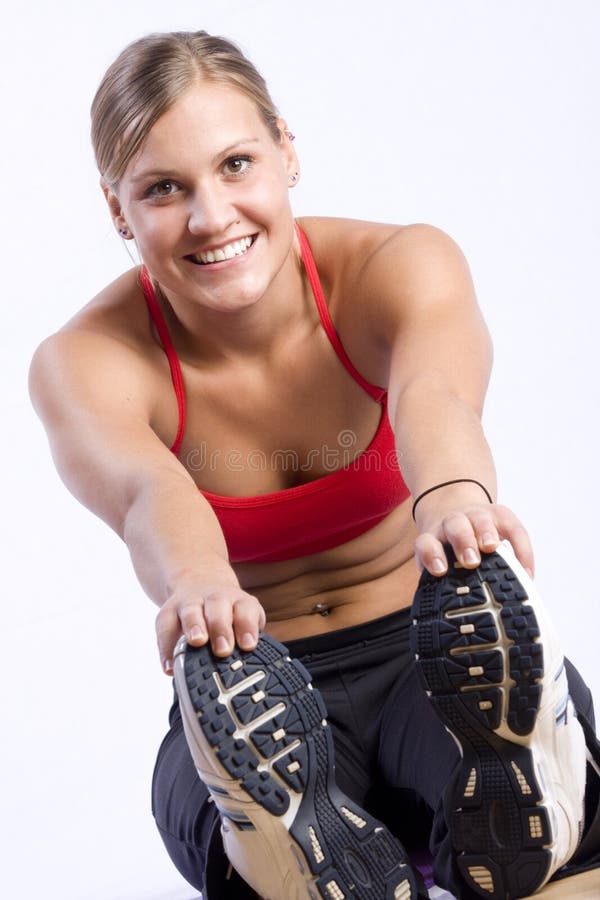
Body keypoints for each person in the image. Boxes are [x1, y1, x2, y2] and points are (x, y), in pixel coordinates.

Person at [29, 30, 600, 900]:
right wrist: (197, 586)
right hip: (257, 687)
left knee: (545, 844)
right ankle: (289, 854)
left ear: (287, 150)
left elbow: (433, 399)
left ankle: (527, 810)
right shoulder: (87, 361)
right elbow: (152, 493)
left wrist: (453, 499)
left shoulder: (396, 266)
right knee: (234, 817)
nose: (212, 217)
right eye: (163, 189)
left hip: (435, 655)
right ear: (117, 210)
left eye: (235, 165)